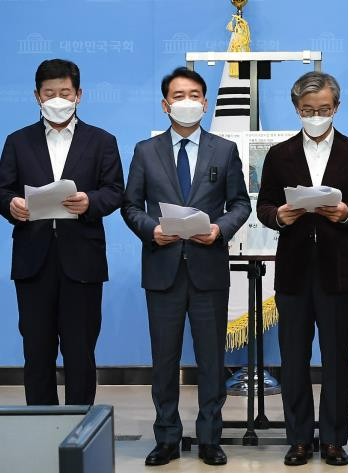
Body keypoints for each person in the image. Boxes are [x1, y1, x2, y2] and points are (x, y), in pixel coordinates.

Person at [122, 67, 250, 466]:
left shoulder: (224, 150)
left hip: (208, 267)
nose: (187, 102)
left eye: (195, 95)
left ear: (206, 102)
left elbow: (241, 204)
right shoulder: (146, 150)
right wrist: (151, 229)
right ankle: (167, 438)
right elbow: (130, 206)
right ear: (165, 104)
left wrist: (219, 228)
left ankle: (210, 436)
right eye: (179, 96)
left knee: (211, 359)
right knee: (164, 360)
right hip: (162, 268)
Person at [256, 71, 348, 466]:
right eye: (308, 110)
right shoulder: (279, 155)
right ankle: (298, 439)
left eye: (323, 109)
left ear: (336, 108)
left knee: (336, 358)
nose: (316, 115)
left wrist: (346, 213)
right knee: (292, 358)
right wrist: (279, 216)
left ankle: (332, 439)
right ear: (296, 109)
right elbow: (264, 207)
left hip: (338, 270)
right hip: (293, 270)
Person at [0, 59, 124, 406]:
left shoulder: (101, 141)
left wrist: (89, 201)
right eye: (49, 93)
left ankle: (81, 429)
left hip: (82, 258)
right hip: (33, 259)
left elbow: (114, 191)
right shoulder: (18, 141)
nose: (57, 99)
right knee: (37, 351)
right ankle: (41, 427)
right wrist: (12, 205)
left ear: (79, 94)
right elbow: (0, 190)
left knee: (80, 351)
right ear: (37, 96)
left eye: (64, 92)